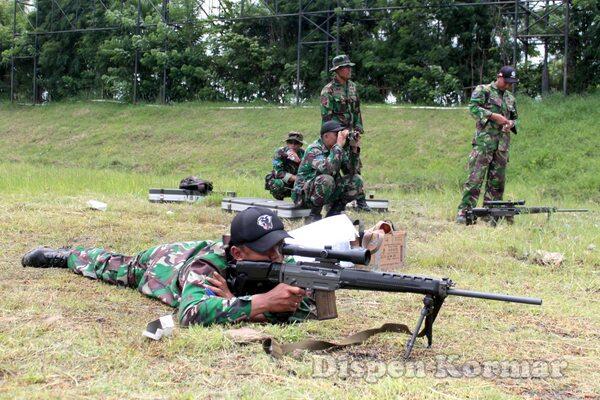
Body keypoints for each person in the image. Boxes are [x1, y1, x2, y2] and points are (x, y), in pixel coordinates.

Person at [21, 207, 314, 326]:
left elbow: (307, 309)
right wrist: (261, 302)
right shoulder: (206, 267)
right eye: (266, 250)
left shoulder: (280, 261)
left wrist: (240, 304)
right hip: (165, 263)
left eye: (278, 245)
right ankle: (65, 255)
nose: (276, 255)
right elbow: (190, 314)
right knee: (114, 266)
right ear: (237, 252)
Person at [456, 66, 519, 224]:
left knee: (497, 183)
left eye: (511, 83)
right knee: (475, 180)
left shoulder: (510, 98)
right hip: (484, 144)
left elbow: (515, 118)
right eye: (506, 81)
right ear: (499, 77)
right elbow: (473, 108)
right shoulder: (483, 90)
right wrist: (492, 116)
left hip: (502, 146)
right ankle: (464, 213)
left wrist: (510, 123)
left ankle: (490, 215)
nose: (508, 85)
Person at [320, 54, 371, 212]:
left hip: (351, 133)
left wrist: (357, 130)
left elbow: (356, 110)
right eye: (345, 67)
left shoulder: (353, 87)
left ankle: (361, 201)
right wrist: (339, 134)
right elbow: (327, 119)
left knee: (355, 166)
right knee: (334, 166)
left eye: (349, 67)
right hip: (336, 135)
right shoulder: (327, 91)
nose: (349, 70)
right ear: (337, 70)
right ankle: (332, 202)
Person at [291, 120, 365, 222]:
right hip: (304, 196)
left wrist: (354, 149)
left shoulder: (338, 150)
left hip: (325, 191)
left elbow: (351, 171)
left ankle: (334, 214)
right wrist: (338, 146)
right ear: (325, 136)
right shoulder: (314, 149)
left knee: (356, 180)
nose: (340, 137)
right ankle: (314, 216)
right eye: (336, 134)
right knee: (326, 179)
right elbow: (327, 169)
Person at [264, 132, 306, 200]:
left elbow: (308, 171)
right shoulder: (280, 152)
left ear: (300, 145)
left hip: (299, 183)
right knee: (277, 183)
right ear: (287, 143)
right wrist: (295, 178)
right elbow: (278, 173)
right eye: (290, 142)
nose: (293, 145)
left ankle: (301, 204)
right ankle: (279, 203)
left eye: (296, 143)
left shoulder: (304, 154)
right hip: (285, 182)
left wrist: (299, 161)